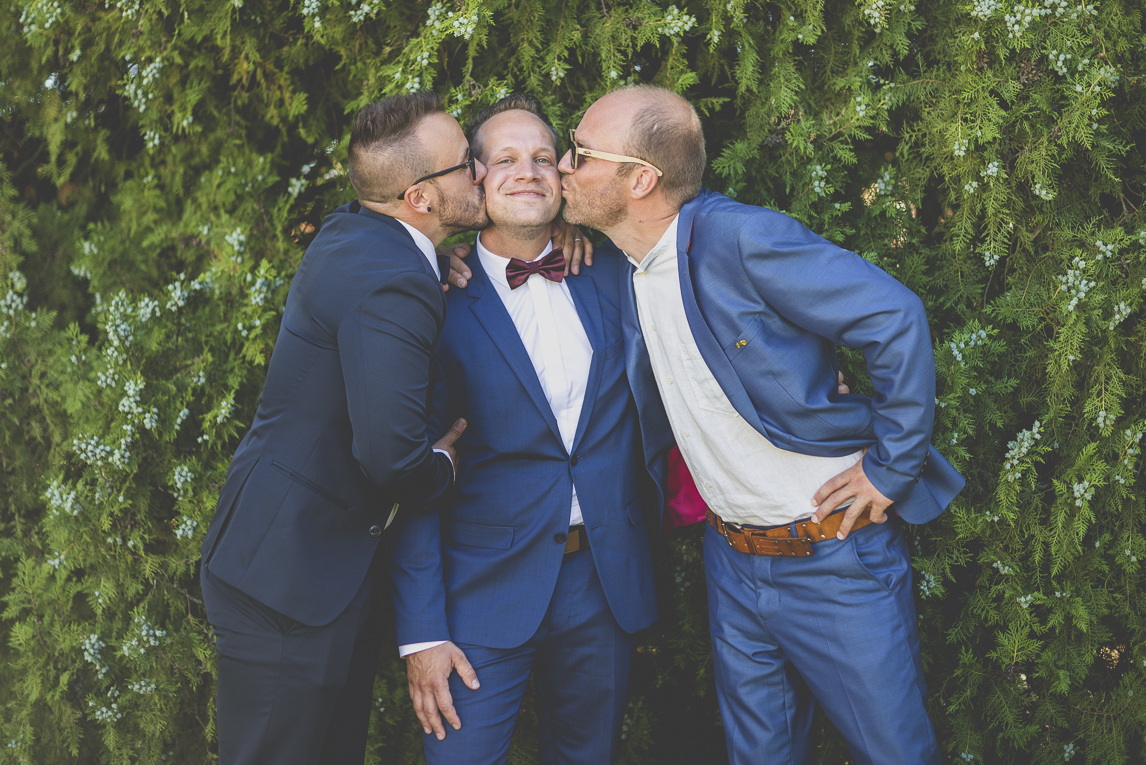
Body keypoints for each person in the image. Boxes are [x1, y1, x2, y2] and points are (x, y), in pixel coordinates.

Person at [557, 84, 966, 765]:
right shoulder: (626, 265)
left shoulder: (740, 237)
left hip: (833, 555)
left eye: (578, 154)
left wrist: (891, 467)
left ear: (640, 179)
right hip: (732, 562)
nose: (563, 168)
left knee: (895, 754)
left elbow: (894, 317)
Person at [199, 92, 484, 765]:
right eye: (466, 163)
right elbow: (390, 459)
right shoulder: (394, 280)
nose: (479, 171)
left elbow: (376, 279)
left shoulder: (357, 233)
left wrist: (437, 263)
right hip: (286, 579)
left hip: (311, 565)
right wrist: (442, 462)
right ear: (419, 197)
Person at [389, 94, 662, 765]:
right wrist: (420, 631)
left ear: (564, 176)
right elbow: (410, 468)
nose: (528, 170)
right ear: (474, 176)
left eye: (544, 157)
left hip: (602, 585)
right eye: (506, 158)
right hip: (479, 595)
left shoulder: (611, 274)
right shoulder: (436, 299)